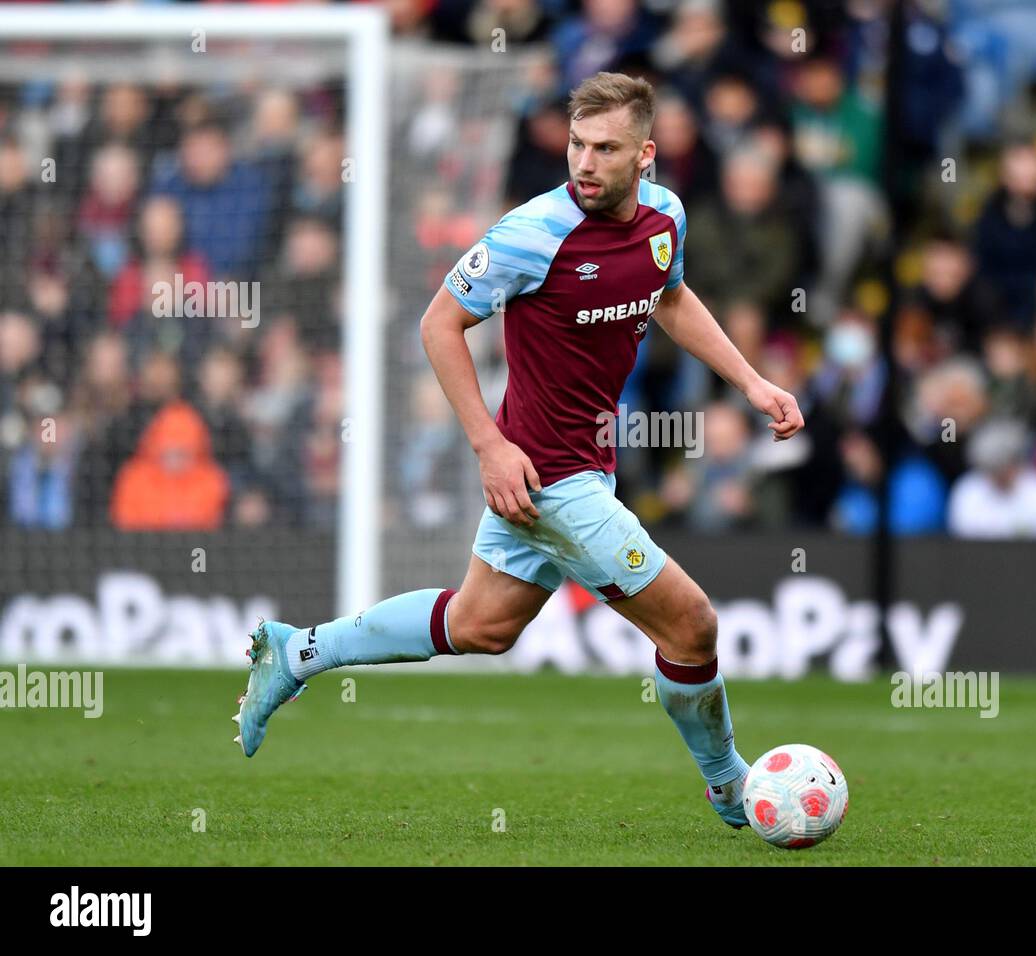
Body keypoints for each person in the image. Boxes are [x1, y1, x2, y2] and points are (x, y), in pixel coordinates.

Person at [232, 73, 805, 831]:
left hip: (578, 466)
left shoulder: (665, 216)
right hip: (545, 475)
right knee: (693, 626)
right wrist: (488, 446)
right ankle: (730, 783)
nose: (585, 163)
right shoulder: (531, 233)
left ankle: (297, 651)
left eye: (605, 148)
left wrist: (752, 382)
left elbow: (669, 295)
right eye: (577, 145)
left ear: (646, 155)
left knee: (481, 625)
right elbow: (439, 325)